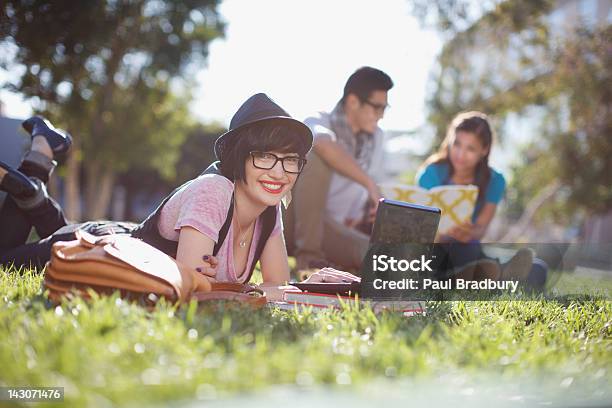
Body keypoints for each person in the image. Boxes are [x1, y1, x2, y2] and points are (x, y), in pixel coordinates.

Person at [0, 93, 353, 300]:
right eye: (265, 156)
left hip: (120, 242)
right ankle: (35, 170)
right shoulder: (213, 191)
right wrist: (232, 287)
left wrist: (310, 286)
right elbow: (191, 292)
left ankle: (37, 164)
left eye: (291, 160)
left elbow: (274, 287)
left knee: (45, 226)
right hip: (104, 246)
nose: (279, 172)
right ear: (239, 156)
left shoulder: (269, 208)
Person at [285, 66, 393, 273]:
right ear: (353, 101)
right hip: (293, 223)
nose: (381, 116)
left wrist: (368, 212)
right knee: (315, 155)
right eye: (377, 107)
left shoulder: (376, 138)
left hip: (334, 229)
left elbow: (369, 192)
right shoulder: (318, 120)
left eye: (384, 108)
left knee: (378, 257)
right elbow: (323, 144)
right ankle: (309, 260)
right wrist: (368, 183)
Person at [416, 111, 533, 281]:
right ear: (449, 140)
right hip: (432, 249)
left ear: (484, 150)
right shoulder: (431, 173)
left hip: (466, 249)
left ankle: (470, 275)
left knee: (537, 270)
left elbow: (481, 229)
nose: (460, 155)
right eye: (457, 144)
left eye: (470, 148)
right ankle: (477, 276)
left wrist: (470, 232)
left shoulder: (495, 180)